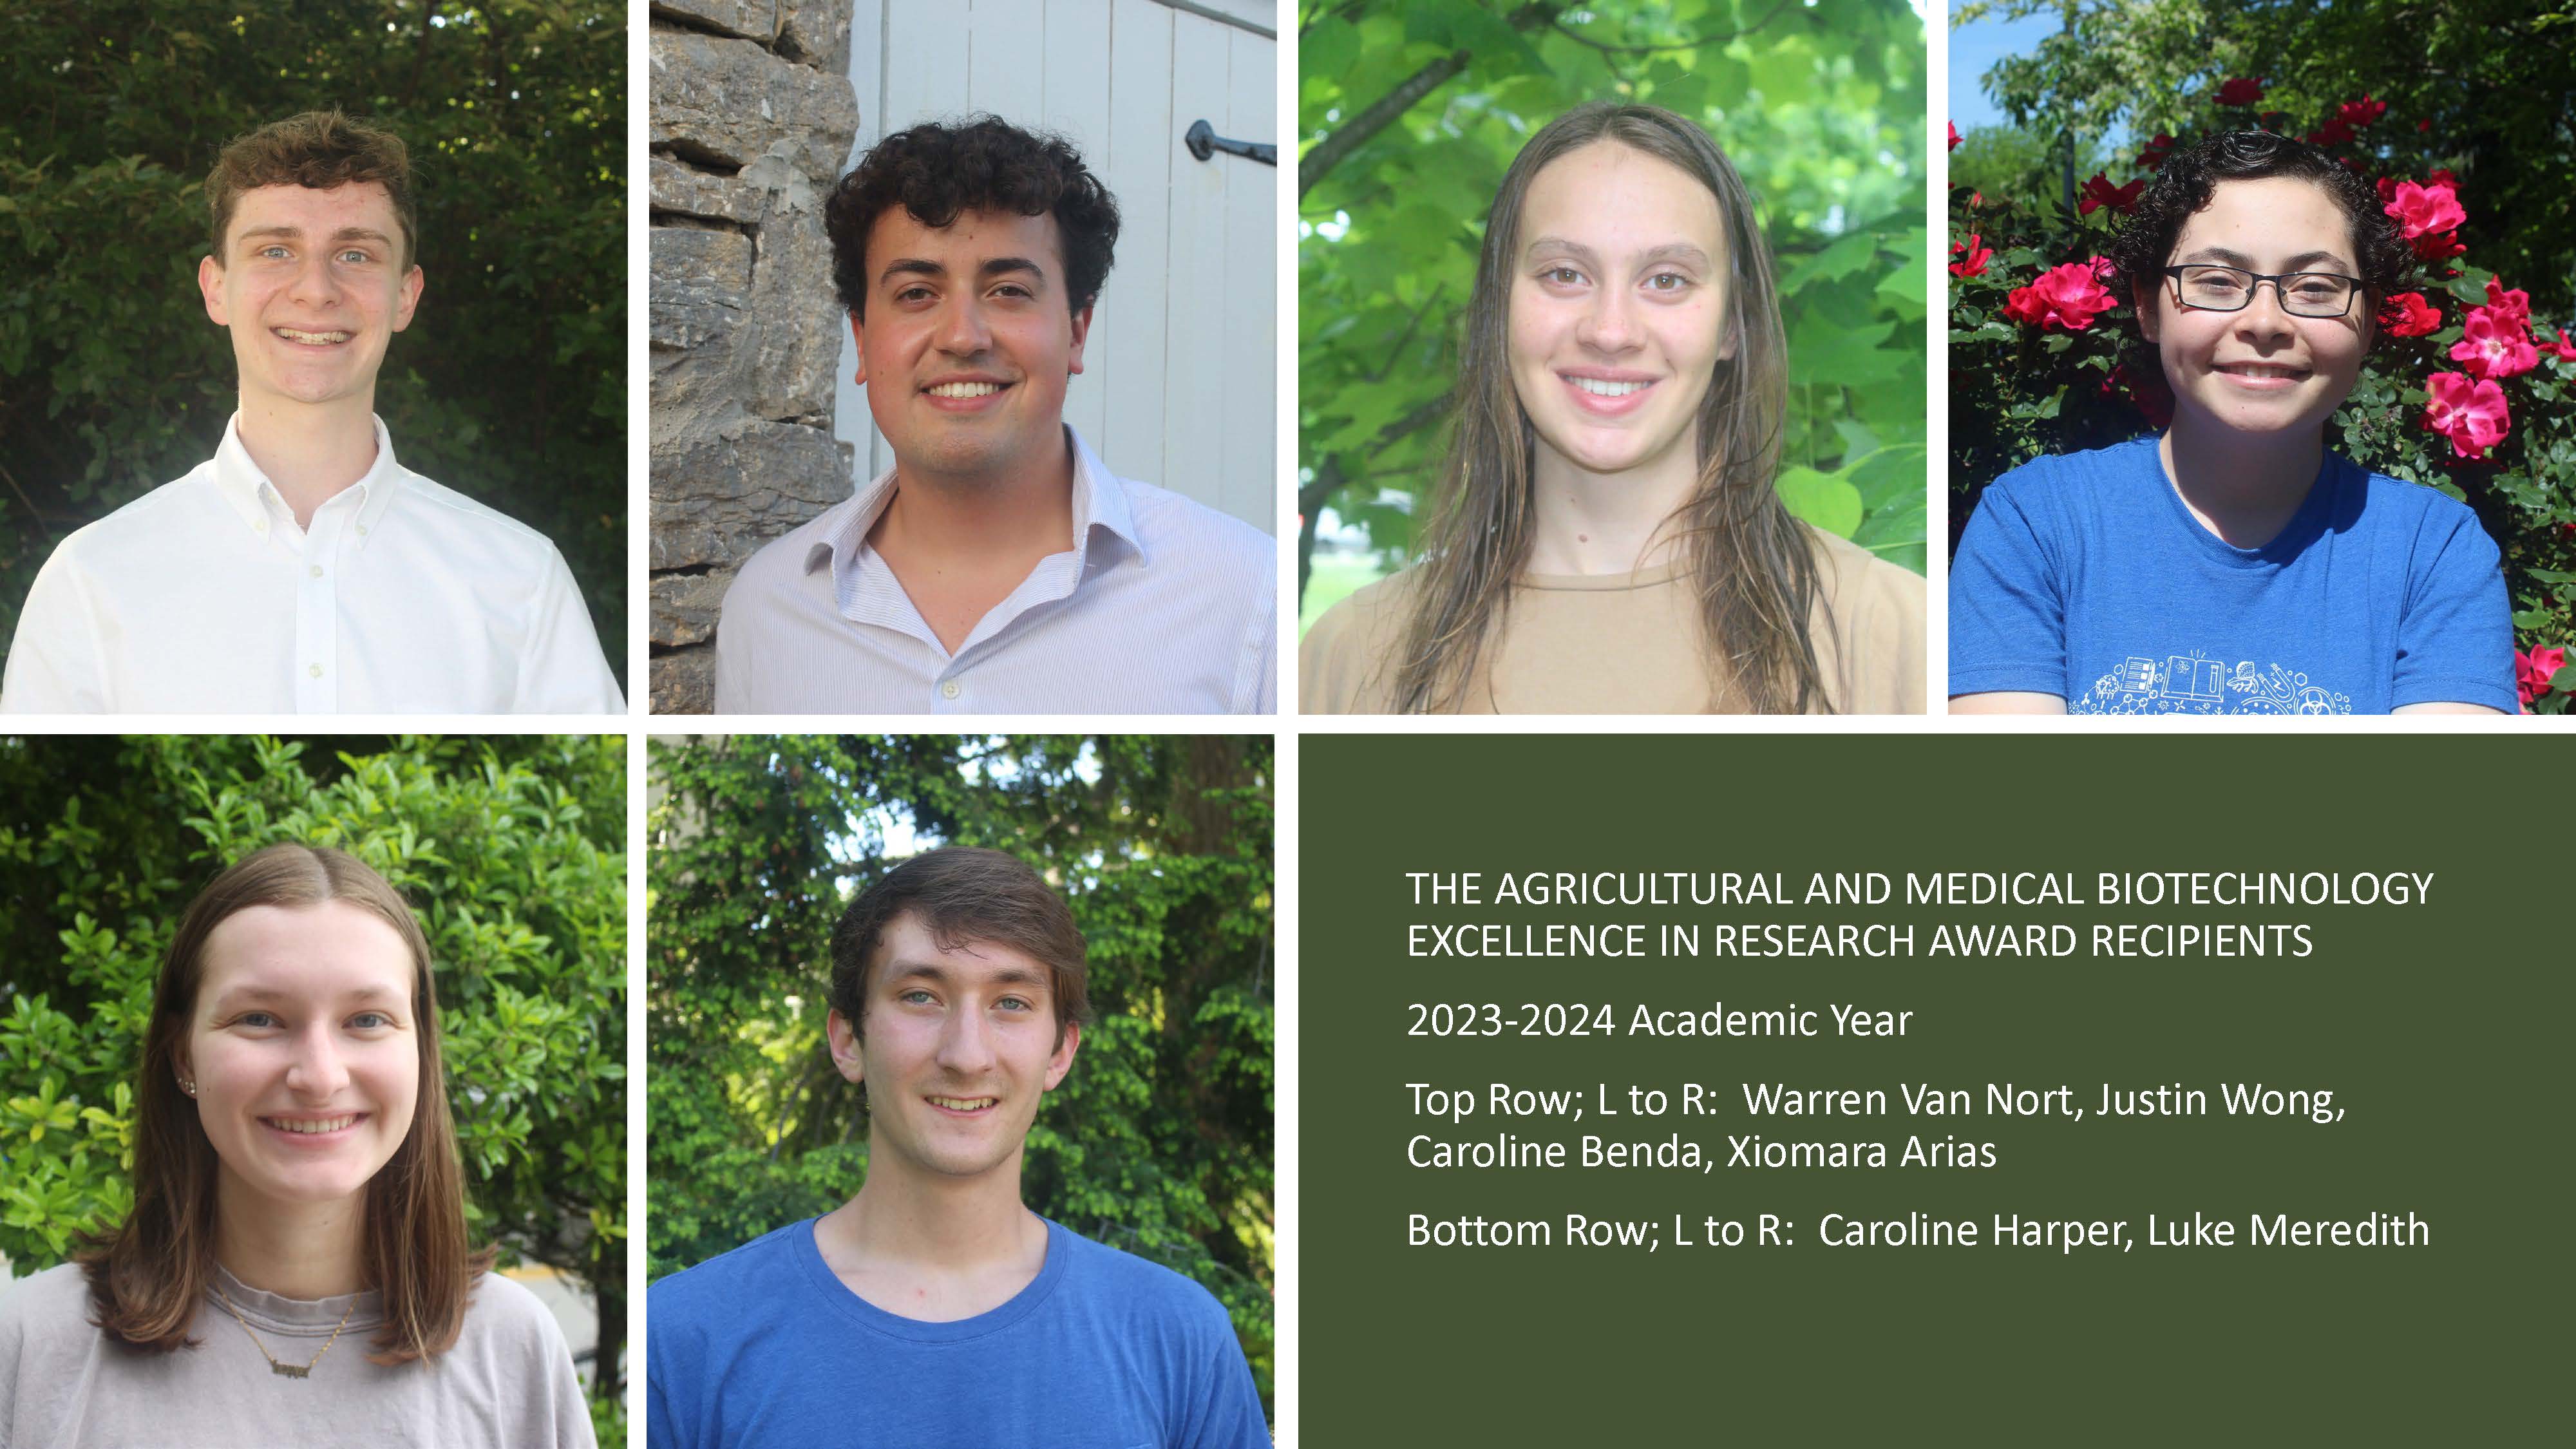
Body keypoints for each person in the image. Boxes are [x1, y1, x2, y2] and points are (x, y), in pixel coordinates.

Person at [1300, 102, 1923, 714]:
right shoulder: (1354, 657)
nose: (1611, 330)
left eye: (1667, 280)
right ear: (1499, 311)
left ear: (1732, 325)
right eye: (1565, 274)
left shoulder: (1890, 637)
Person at [0, 111, 623, 715]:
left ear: (406, 296)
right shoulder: (91, 581)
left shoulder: (521, 578)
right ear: (216, 288)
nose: (316, 289)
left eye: (355, 254)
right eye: (275, 251)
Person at [647, 847, 1268, 1448]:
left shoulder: (1178, 1340)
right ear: (848, 1040)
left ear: (1060, 1053)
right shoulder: (685, 1340)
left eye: (1011, 1003)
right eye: (921, 996)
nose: (967, 1055)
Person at [0, 844, 594, 1447]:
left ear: (420, 1051)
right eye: (260, 1018)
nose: (319, 1077)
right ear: (183, 1055)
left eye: (366, 1020)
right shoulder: (30, 1346)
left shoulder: (513, 1349)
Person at [712, 117, 1276, 714]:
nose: (962, 337)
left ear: (1076, 332)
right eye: (916, 294)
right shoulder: (767, 607)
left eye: (1008, 290)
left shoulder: (1245, 594)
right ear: (861, 338)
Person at [1949, 131, 2514, 714]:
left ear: (2368, 321)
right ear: (2148, 305)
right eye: (2217, 282)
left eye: (2317, 288)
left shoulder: (2434, 552)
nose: (2264, 321)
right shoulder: (2035, 525)